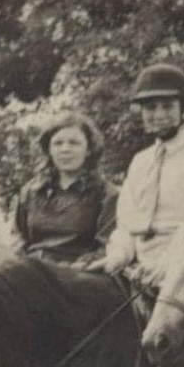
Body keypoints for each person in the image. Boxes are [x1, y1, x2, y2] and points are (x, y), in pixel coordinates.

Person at [99, 64, 184, 282]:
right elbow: (126, 224)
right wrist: (118, 256)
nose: (158, 115)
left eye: (167, 107)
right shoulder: (140, 162)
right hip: (139, 268)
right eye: (150, 108)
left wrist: (170, 265)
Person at [13, 113, 120, 269]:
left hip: (81, 274)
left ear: (89, 149)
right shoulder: (31, 191)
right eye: (58, 143)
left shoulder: (107, 194)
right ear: (49, 150)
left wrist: (75, 267)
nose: (65, 149)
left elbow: (106, 247)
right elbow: (19, 240)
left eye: (74, 143)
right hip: (33, 270)